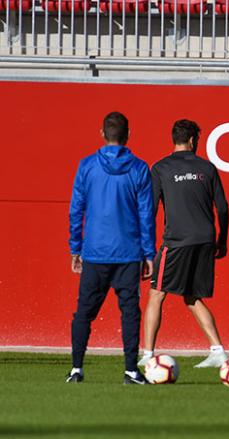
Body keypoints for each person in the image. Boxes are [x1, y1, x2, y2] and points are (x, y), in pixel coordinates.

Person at [67, 111, 155, 384]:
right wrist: (148, 253)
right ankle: (130, 370)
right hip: (128, 252)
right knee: (130, 312)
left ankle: (76, 369)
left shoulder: (87, 165)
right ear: (128, 135)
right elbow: (146, 214)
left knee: (84, 312)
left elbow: (76, 209)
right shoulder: (140, 168)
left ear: (102, 133)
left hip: (95, 251)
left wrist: (75, 247)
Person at [138, 119, 229, 369]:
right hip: (205, 240)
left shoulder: (160, 168)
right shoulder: (208, 168)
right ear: (192, 140)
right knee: (191, 296)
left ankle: (147, 354)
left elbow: (149, 209)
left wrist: (143, 247)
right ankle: (218, 351)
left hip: (177, 241)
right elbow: (222, 208)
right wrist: (223, 240)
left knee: (156, 293)